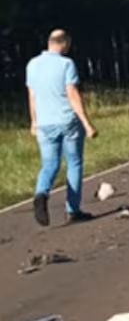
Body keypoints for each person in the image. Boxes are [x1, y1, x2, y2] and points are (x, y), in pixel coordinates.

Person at [27, 29, 97, 227]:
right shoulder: (66, 64)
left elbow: (32, 95)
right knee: (74, 162)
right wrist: (86, 123)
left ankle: (41, 193)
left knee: (49, 164)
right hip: (67, 121)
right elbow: (72, 93)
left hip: (44, 123)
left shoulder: (32, 64)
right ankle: (72, 209)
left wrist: (34, 121)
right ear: (64, 43)